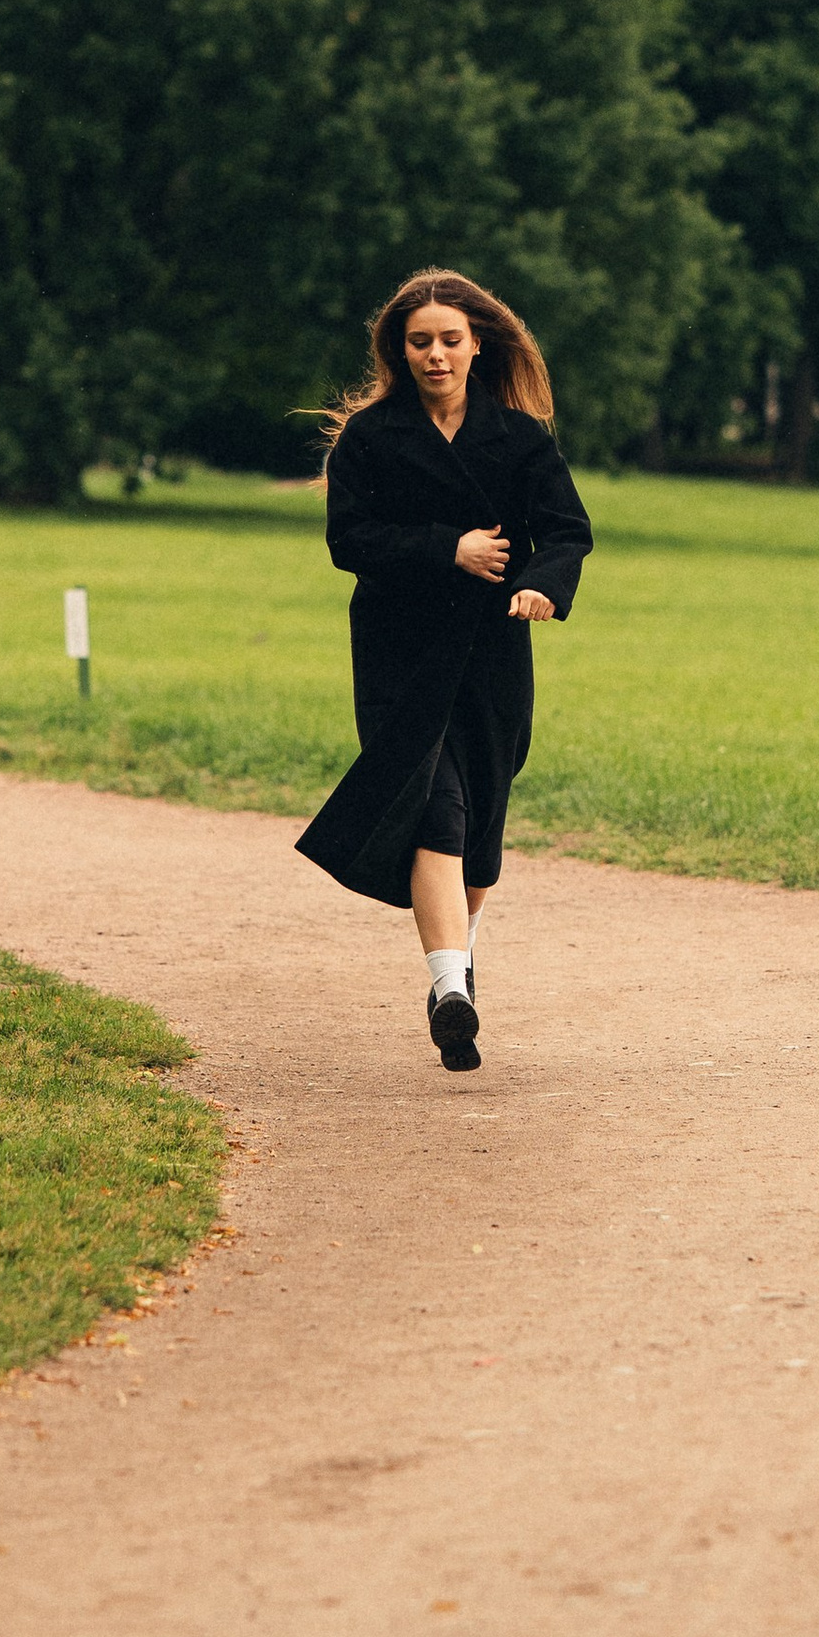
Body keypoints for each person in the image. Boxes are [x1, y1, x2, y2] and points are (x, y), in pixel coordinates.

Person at [296, 270, 594, 1071]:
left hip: (494, 651)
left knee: (482, 820)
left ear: (477, 345)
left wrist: (539, 584)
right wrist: (447, 547)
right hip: (400, 650)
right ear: (401, 348)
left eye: (449, 340)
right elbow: (348, 542)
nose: (434, 354)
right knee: (436, 808)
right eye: (419, 341)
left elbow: (568, 531)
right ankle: (451, 987)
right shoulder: (372, 438)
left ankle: (452, 971)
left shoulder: (521, 439)